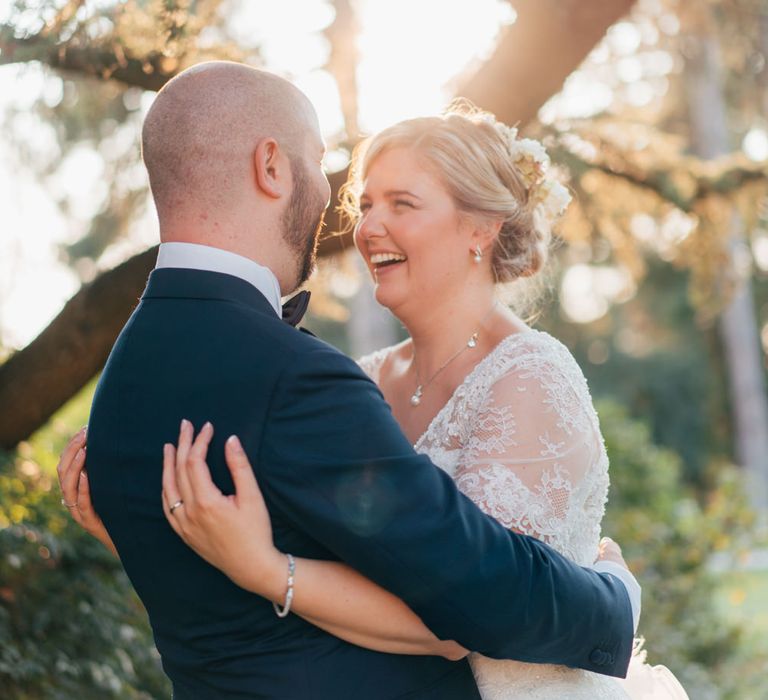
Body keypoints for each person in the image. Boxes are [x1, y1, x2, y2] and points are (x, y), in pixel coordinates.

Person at [57, 61, 640, 700]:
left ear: (481, 228)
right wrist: (614, 596)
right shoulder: (322, 378)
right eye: (363, 200)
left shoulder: (131, 365)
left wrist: (231, 559)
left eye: (403, 203)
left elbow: (455, 606)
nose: (362, 226)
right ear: (272, 166)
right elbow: (471, 599)